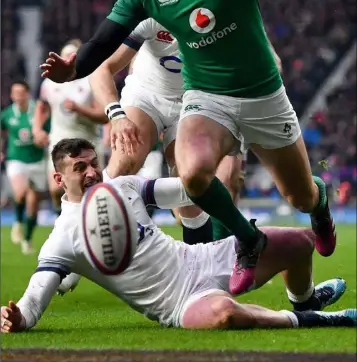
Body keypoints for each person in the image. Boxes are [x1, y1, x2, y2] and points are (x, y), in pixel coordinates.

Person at [40, 0, 336, 295]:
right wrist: (72, 70)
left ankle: (319, 204)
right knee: (193, 173)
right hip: (205, 97)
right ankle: (248, 240)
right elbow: (103, 41)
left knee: (298, 196)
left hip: (263, 96)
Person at [1, 138, 354, 333]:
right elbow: (33, 304)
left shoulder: (123, 186)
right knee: (224, 316)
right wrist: (17, 318)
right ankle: (317, 318)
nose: (93, 172)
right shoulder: (61, 239)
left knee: (301, 242)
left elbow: (188, 191)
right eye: (80, 168)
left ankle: (305, 300)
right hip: (178, 302)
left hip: (203, 258)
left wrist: (206, 171)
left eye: (94, 162)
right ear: (59, 180)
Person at [89, 17, 249, 243]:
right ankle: (82, 240)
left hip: (193, 100)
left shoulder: (222, 18)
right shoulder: (151, 13)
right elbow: (102, 68)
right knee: (124, 162)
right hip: (146, 95)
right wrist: (116, 116)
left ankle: (202, 265)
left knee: (190, 189)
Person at [33, 40, 108, 215]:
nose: (68, 60)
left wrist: (79, 109)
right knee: (56, 189)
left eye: (72, 56)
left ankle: (86, 227)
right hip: (59, 139)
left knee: (89, 191)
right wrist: (37, 129)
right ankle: (65, 218)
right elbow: (41, 108)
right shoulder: (50, 83)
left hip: (87, 143)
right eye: (65, 56)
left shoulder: (91, 81)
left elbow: (103, 116)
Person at [0, 80, 48, 254]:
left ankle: (27, 239)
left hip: (37, 160)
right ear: (12, 95)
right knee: (20, 193)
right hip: (16, 159)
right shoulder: (6, 114)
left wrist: (43, 138)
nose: (18, 96)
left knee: (33, 203)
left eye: (21, 92)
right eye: (15, 93)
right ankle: (18, 222)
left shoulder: (38, 111)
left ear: (27, 94)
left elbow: (47, 131)